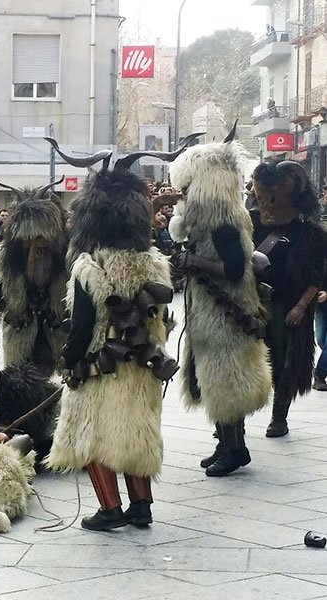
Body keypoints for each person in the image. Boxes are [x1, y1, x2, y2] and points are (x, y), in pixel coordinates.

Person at [43, 143, 178, 531]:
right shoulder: (156, 264)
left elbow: (83, 327)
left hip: (99, 370)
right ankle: (141, 507)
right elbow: (164, 319)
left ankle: (109, 509)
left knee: (90, 437)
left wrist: (68, 362)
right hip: (144, 367)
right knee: (135, 433)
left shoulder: (89, 266)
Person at [168, 126, 272, 476]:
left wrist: (195, 262)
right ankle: (225, 442)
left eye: (186, 187)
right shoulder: (209, 222)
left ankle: (236, 448)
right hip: (211, 316)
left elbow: (234, 268)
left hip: (226, 317)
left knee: (226, 381)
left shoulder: (224, 222)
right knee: (214, 381)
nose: (181, 194)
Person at [250, 161, 327, 437]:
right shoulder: (251, 224)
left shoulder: (311, 234)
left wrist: (300, 307)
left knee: (283, 363)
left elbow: (315, 277)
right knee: (248, 361)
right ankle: (235, 419)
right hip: (251, 305)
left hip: (286, 307)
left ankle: (279, 417)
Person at [0, 180, 69, 374]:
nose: (34, 244)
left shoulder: (65, 257)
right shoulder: (3, 257)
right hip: (20, 327)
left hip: (55, 329)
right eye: (28, 239)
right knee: (19, 379)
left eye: (39, 237)